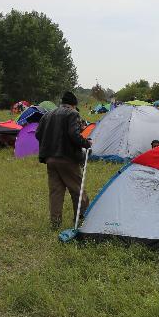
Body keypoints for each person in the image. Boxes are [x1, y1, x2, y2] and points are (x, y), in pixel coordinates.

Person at [35, 91, 92, 229]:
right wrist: (86, 143)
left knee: (56, 192)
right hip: (67, 158)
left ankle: (55, 223)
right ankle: (81, 220)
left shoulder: (48, 114)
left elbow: (37, 134)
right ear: (73, 104)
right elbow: (74, 134)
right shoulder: (72, 114)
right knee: (78, 190)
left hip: (50, 159)